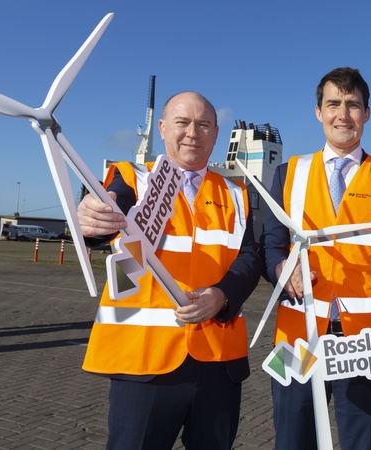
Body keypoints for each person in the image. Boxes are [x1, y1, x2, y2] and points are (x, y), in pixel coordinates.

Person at [77, 92, 262, 450]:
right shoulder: (132, 178)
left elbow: (250, 257)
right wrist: (89, 218)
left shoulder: (236, 192)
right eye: (182, 122)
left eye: (203, 125)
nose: (193, 132)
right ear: (162, 128)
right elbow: (106, 212)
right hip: (144, 364)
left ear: (216, 133)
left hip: (218, 363)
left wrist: (222, 295)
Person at [260, 67, 371, 450]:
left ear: (367, 113)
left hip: (367, 343)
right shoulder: (288, 173)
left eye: (353, 105)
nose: (342, 114)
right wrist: (282, 269)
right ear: (318, 111)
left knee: (362, 443)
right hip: (297, 339)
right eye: (333, 104)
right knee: (292, 441)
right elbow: (269, 246)